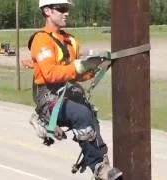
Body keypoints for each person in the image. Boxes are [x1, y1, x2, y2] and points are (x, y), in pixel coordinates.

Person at [27, 0, 122, 179]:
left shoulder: (71, 41)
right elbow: (49, 73)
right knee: (81, 113)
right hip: (48, 97)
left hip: (68, 93)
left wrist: (93, 68)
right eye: (61, 9)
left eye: (67, 9)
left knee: (90, 113)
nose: (66, 13)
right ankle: (98, 166)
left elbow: (75, 75)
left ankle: (102, 162)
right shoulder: (41, 40)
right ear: (47, 11)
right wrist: (77, 68)